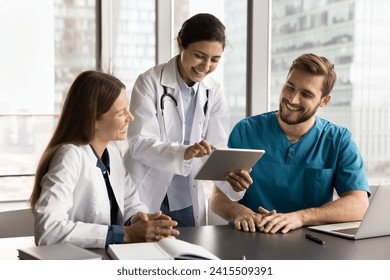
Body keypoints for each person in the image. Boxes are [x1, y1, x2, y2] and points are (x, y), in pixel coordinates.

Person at [210, 53, 370, 233]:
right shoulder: (245, 131)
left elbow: (359, 205)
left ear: (324, 100)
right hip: (248, 239)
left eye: (306, 94)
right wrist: (243, 213)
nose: (292, 99)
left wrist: (299, 217)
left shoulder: (339, 140)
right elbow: (218, 199)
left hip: (310, 246)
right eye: (290, 87)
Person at [124, 13, 251, 227]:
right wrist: (184, 153)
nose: (206, 66)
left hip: (185, 199)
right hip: (146, 194)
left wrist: (233, 182)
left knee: (190, 257)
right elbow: (138, 143)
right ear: (180, 44)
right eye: (199, 55)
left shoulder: (214, 91)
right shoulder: (150, 82)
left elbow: (216, 149)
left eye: (215, 59)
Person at [30, 70, 179, 249]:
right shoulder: (69, 157)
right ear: (93, 119)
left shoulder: (112, 151)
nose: (130, 117)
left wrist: (139, 219)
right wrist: (126, 234)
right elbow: (48, 230)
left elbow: (129, 200)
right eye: (120, 113)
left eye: (128, 109)